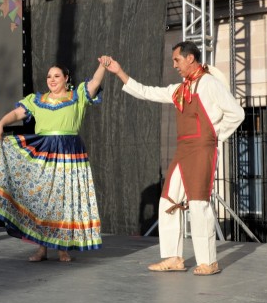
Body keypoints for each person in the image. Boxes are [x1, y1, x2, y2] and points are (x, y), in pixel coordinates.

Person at [104, 42, 245, 276]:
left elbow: (237, 113)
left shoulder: (210, 83)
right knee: (168, 200)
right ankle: (173, 258)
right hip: (183, 149)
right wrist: (119, 72)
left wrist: (214, 135)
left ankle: (208, 262)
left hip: (202, 148)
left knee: (198, 203)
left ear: (190, 58)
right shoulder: (180, 89)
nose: (174, 65)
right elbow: (148, 92)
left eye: (176, 60)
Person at [0, 61, 107, 262]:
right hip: (43, 153)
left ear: (66, 78)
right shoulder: (37, 100)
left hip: (69, 153)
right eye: (49, 76)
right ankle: (42, 249)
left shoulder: (77, 96)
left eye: (57, 76)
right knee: (43, 202)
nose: (52, 79)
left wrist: (103, 66)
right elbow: (17, 113)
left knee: (65, 201)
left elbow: (94, 84)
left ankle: (62, 249)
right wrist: (1, 123)